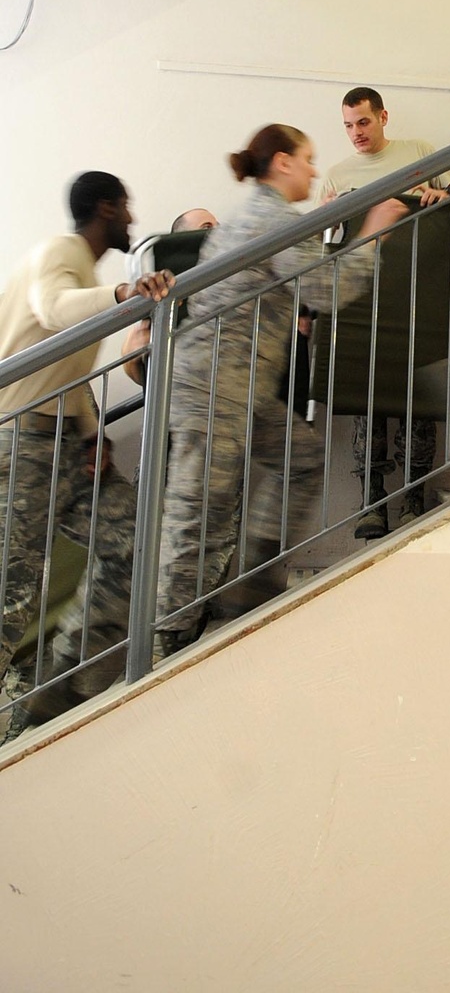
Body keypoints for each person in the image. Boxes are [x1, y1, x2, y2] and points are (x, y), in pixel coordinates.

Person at [156, 124, 392, 655]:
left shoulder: (265, 216)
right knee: (199, 504)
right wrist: (375, 230)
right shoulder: (272, 217)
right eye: (307, 159)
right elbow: (327, 288)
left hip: (243, 384)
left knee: (301, 457)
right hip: (213, 383)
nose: (314, 169)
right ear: (282, 163)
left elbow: (301, 285)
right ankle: (168, 631)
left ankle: (257, 576)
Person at [0, 171, 173, 732]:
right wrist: (124, 295)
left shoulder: (81, 266)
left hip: (66, 445)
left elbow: (61, 362)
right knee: (12, 595)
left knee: (135, 544)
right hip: (21, 442)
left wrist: (92, 429)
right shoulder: (58, 252)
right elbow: (52, 310)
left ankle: (65, 684)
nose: (131, 217)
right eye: (125, 206)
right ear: (105, 208)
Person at [317, 87, 450, 540]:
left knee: (418, 393)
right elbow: (324, 236)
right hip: (365, 297)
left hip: (421, 291)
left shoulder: (418, 152)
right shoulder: (338, 175)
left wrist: (441, 194)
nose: (356, 133)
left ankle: (415, 495)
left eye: (363, 122)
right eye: (347, 125)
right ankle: (371, 500)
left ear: (382, 117)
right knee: (368, 395)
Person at [122, 208, 218, 387]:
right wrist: (134, 357)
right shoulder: (163, 290)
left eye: (218, 228)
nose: (215, 234)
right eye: (206, 227)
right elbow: (135, 363)